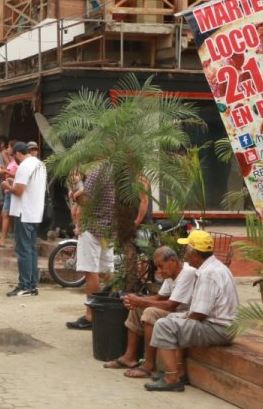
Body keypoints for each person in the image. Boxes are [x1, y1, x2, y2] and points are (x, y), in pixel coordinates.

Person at [145, 230, 240, 392]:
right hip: (220, 326)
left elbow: (199, 313)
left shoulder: (208, 274)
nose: (185, 256)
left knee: (163, 325)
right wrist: (180, 316)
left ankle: (171, 378)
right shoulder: (214, 267)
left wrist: (181, 317)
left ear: (195, 254)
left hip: (218, 329)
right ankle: (178, 372)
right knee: (174, 320)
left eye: (186, 251)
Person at [110, 246, 198, 378]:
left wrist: (141, 301)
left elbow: (170, 305)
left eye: (161, 266)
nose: (159, 271)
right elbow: (158, 298)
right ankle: (129, 357)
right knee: (137, 309)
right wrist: (136, 300)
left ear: (173, 261)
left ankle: (150, 365)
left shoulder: (188, 273)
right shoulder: (170, 274)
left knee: (150, 312)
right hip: (174, 312)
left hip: (186, 314)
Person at [66, 165, 114, 330]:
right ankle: (111, 308)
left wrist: (77, 186)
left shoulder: (98, 172)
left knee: (91, 271)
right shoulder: (117, 171)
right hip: (109, 228)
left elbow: (85, 200)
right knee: (106, 270)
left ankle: (91, 315)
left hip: (92, 227)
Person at [4, 141, 46, 297]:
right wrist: (12, 183)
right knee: (31, 249)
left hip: (24, 212)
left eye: (13, 156)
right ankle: (32, 284)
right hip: (35, 212)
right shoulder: (40, 164)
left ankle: (25, 285)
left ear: (17, 153)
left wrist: (7, 186)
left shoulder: (24, 166)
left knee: (23, 250)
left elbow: (19, 191)